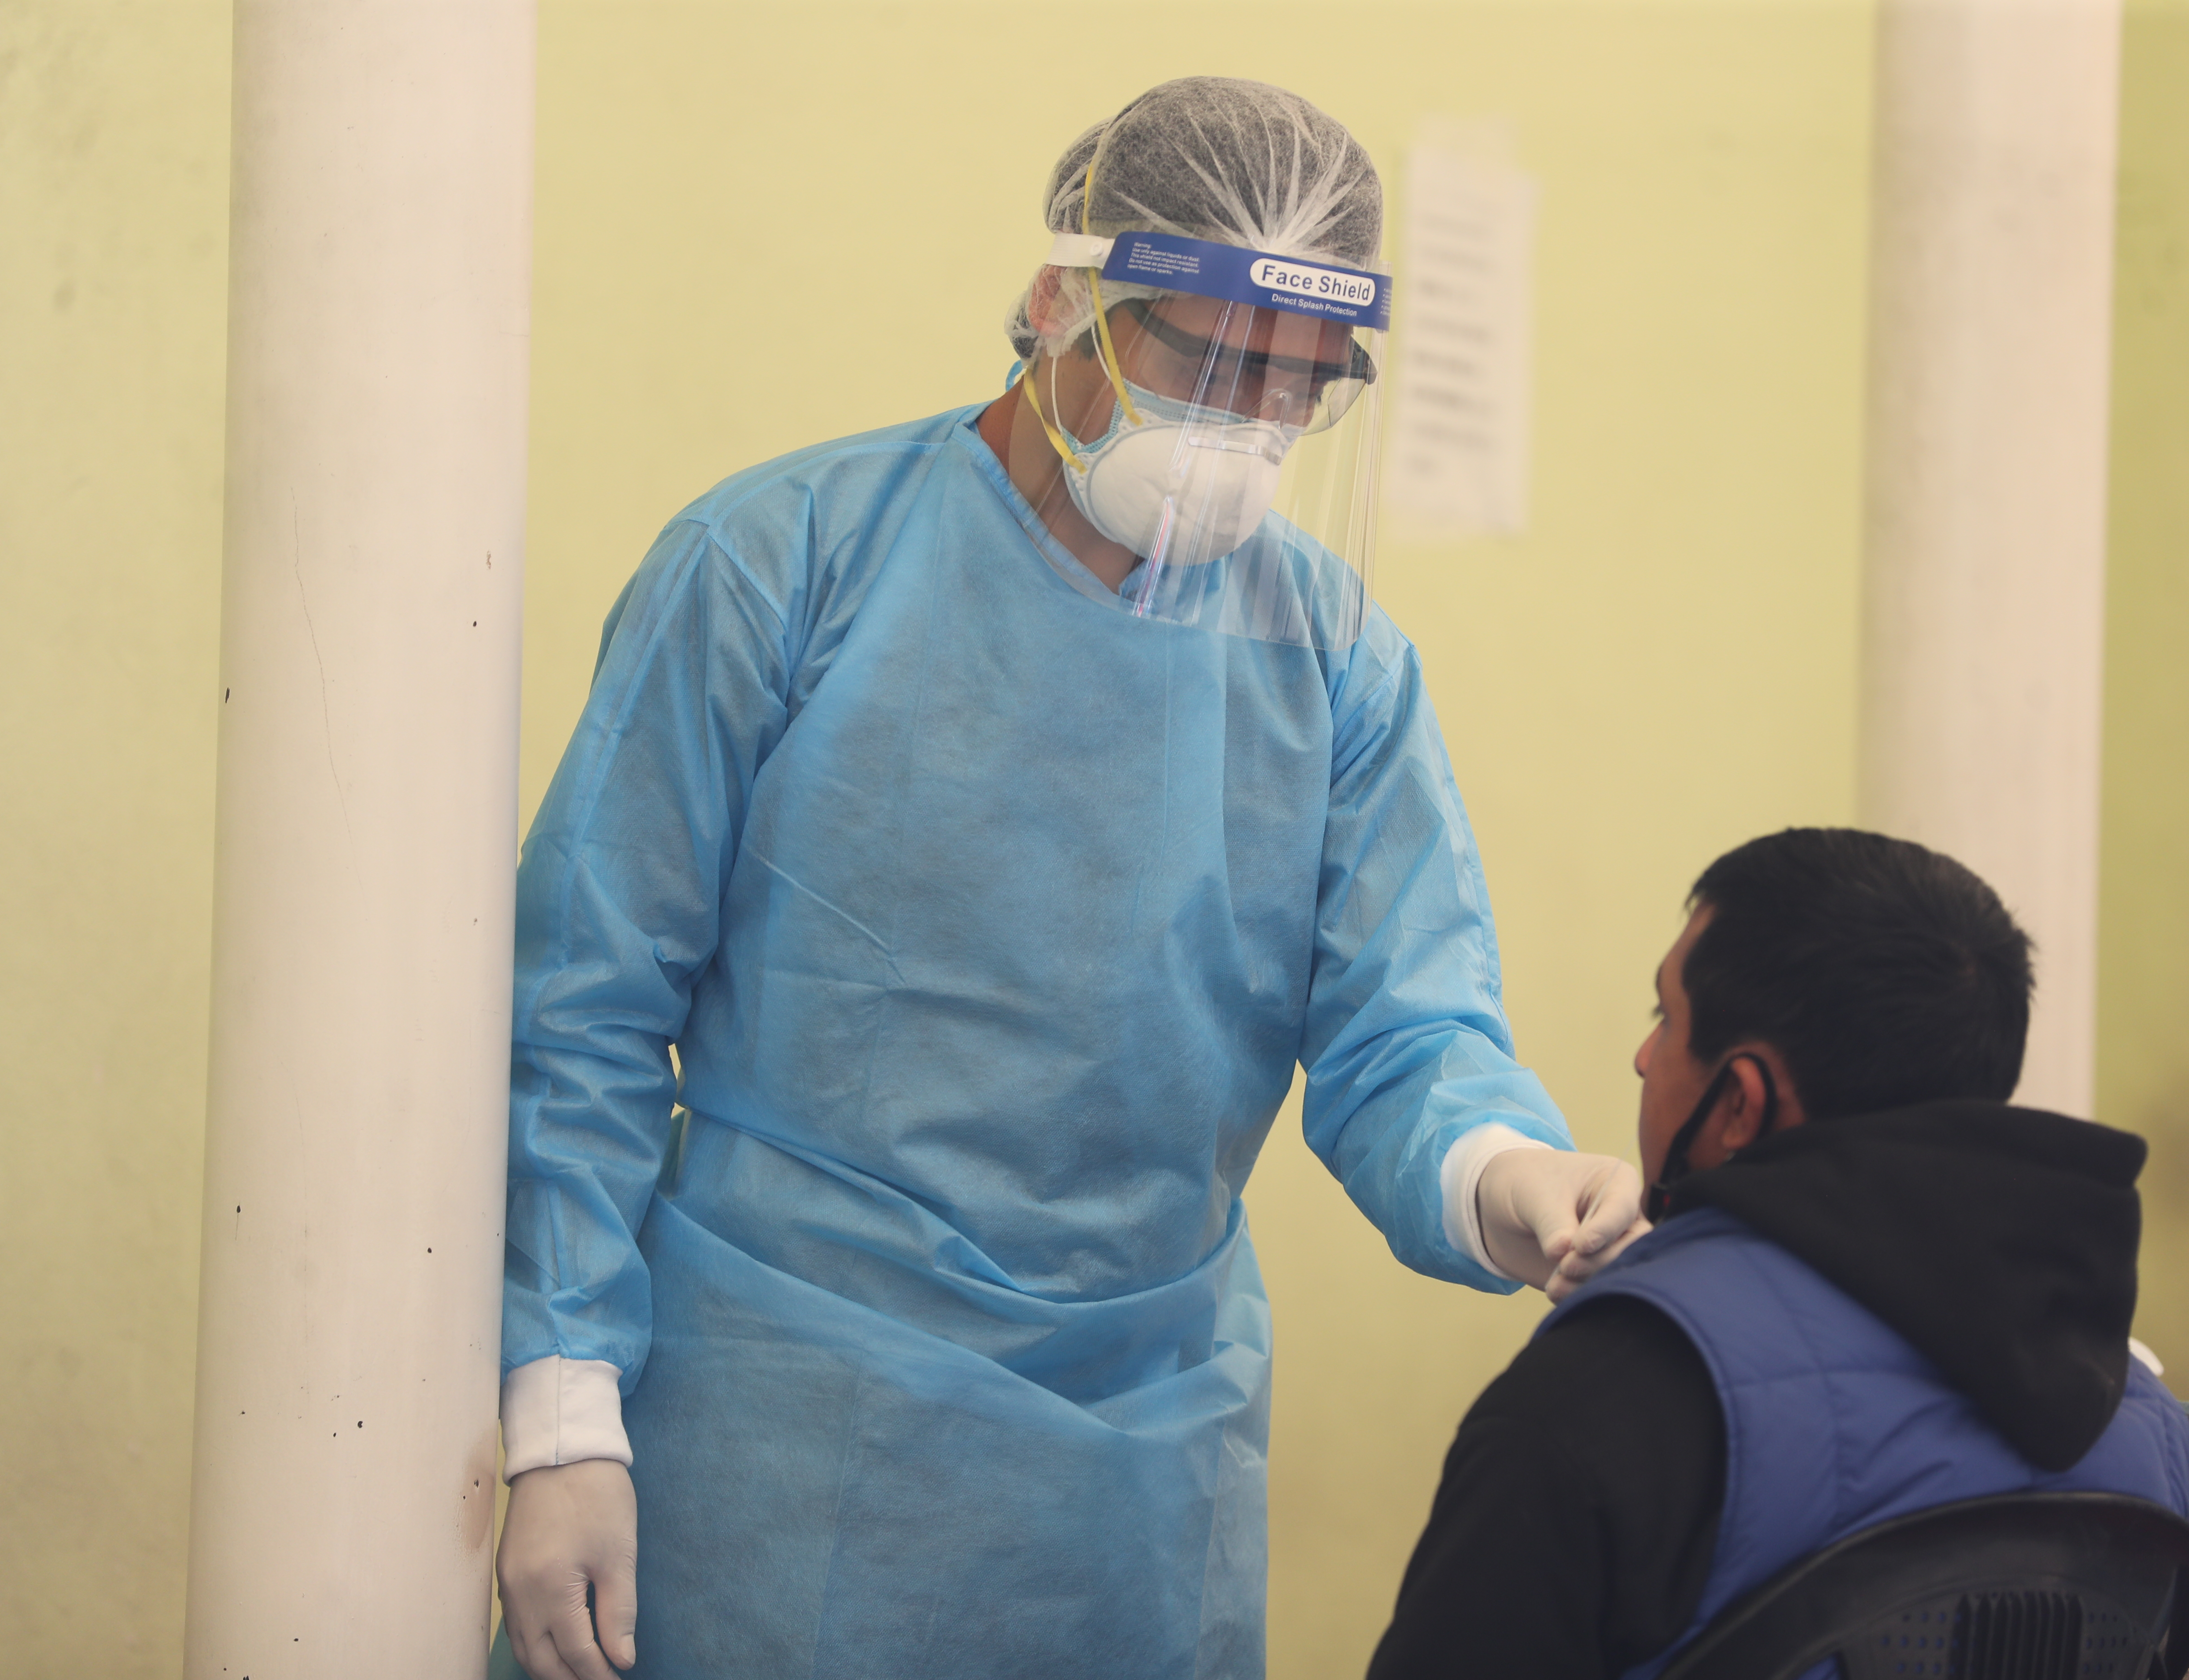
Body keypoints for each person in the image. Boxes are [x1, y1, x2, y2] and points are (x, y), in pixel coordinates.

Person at [490, 77, 1649, 1680]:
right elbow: (580, 1016)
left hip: (1139, 1475)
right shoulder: (783, 566)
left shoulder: (1332, 663)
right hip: (781, 1428)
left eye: (1296, 393)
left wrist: (1505, 1176)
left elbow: (1405, 1032)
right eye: (1210, 364)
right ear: (1059, 303)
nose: (1247, 432)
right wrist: (563, 1418)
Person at [1367, 828, 2189, 1680]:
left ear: (1739, 1105)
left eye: (1668, 1019)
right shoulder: (2144, 1425)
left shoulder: (1604, 1393)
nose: (1644, 1057)